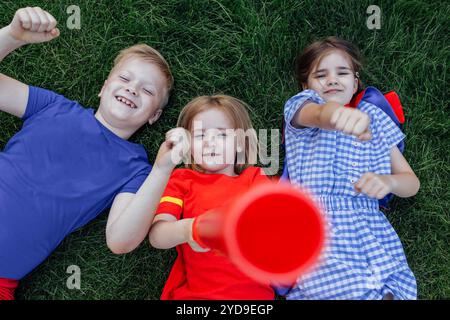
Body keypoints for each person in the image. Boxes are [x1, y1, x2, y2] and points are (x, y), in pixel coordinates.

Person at [0, 6, 173, 299]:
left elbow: (120, 241)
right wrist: (12, 36)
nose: (132, 89)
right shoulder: (53, 106)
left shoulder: (137, 167)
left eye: (147, 91)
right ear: (103, 88)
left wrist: (162, 169)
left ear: (154, 116)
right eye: (125, 79)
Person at [283, 37, 420, 299]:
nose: (332, 80)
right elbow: (318, 115)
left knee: (394, 286)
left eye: (342, 73)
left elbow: (411, 182)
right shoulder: (302, 108)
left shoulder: (376, 118)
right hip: (318, 223)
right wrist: (335, 115)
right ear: (306, 85)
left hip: (369, 227)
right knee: (334, 286)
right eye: (320, 75)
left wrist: (389, 182)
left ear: (356, 82)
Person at [148, 95, 275, 299]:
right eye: (200, 135)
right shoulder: (182, 180)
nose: (210, 143)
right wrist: (189, 229)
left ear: (240, 143)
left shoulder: (255, 178)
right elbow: (157, 237)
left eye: (223, 135)